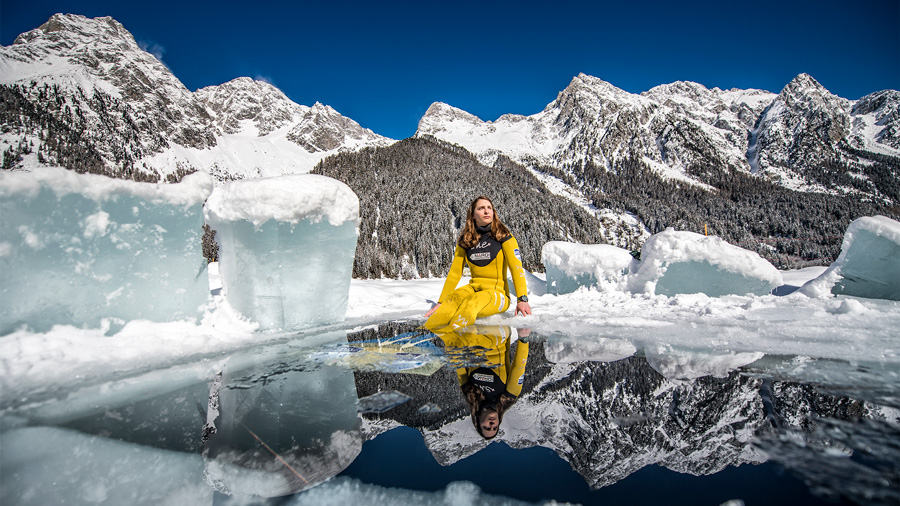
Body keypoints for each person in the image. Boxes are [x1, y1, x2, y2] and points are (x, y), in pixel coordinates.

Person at [423, 195, 531, 333]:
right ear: (473, 215)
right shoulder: (466, 240)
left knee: (471, 303)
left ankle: (452, 337)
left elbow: (517, 269)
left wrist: (522, 299)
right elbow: (455, 273)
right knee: (452, 300)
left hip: (498, 294)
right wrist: (441, 302)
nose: (486, 211)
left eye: (489, 208)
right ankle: (420, 335)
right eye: (481, 208)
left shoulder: (504, 237)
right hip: (474, 288)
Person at [442, 325, 530, 439]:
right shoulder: (508, 397)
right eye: (495, 427)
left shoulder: (469, 392)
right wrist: (523, 339)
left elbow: (457, 363)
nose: (492, 425)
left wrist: (449, 338)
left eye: (487, 427)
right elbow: (519, 367)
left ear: (478, 420)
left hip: (472, 335)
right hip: (498, 334)